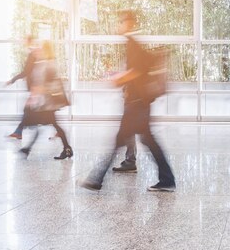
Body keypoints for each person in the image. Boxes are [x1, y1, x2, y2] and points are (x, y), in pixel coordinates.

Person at [78, 10, 175, 192]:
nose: (118, 26)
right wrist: (120, 77)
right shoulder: (133, 44)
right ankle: (167, 179)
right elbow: (137, 71)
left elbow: (136, 71)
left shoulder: (132, 43)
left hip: (137, 105)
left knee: (119, 142)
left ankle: (96, 179)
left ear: (128, 23)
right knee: (147, 141)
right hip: (139, 104)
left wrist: (118, 79)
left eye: (120, 22)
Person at [19, 41, 73, 160]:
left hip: (46, 104)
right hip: (46, 104)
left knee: (45, 125)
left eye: (41, 49)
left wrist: (33, 97)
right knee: (51, 125)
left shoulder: (48, 65)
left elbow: (45, 84)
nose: (38, 51)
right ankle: (67, 149)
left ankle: (28, 148)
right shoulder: (46, 64)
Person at [6, 35, 38, 140]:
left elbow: (26, 72)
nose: (23, 42)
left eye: (24, 40)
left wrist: (12, 80)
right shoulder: (33, 53)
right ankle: (19, 131)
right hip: (34, 87)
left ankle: (20, 131)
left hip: (34, 88)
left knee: (29, 110)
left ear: (28, 41)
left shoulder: (32, 54)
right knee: (28, 110)